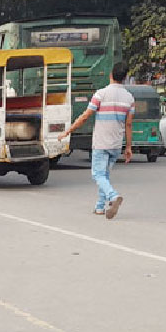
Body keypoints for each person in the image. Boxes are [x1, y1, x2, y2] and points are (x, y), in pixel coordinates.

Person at [58, 62, 134, 219]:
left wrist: (68, 131)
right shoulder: (129, 98)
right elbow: (128, 124)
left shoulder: (101, 94)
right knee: (104, 175)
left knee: (97, 175)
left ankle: (113, 196)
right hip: (116, 144)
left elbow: (85, 116)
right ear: (125, 78)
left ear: (111, 75)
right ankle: (99, 207)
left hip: (101, 143)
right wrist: (128, 147)